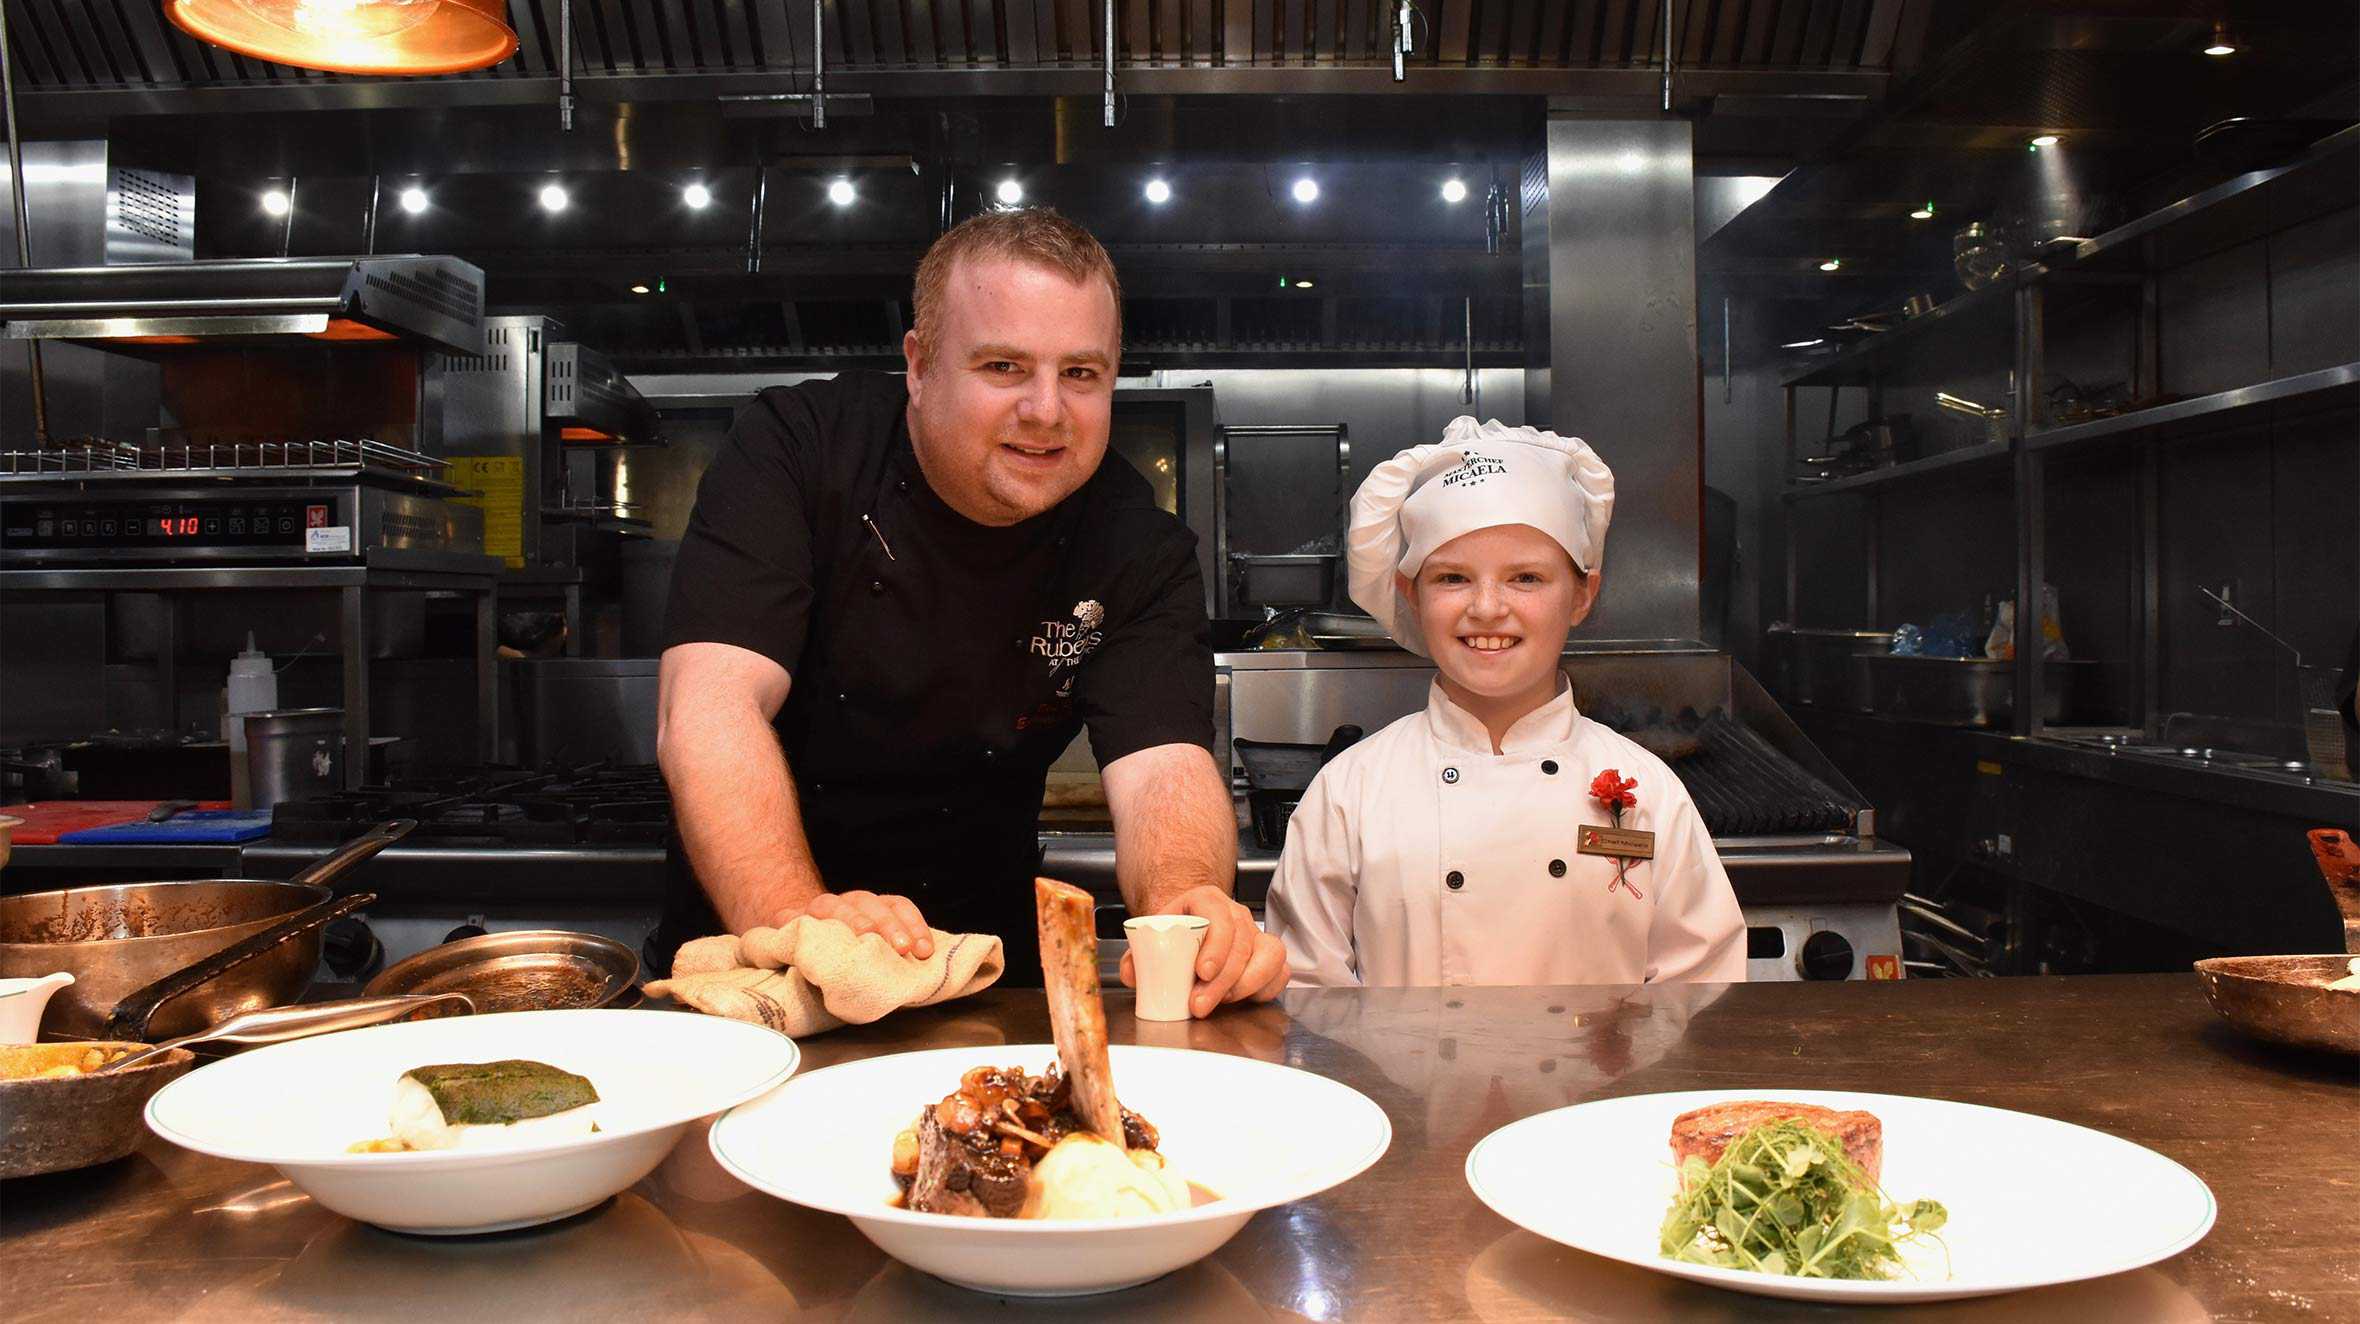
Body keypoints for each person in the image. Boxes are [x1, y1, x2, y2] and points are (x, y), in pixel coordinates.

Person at [654, 207, 1286, 1012]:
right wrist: (796, 921)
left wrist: (1190, 898)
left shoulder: (1135, 541)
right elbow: (710, 703)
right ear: (919, 365)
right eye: (1004, 367)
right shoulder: (801, 449)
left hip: (985, 984)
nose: (1048, 410)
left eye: (1082, 374)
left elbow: (1163, 762)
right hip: (758, 974)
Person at [1264, 417, 1746, 986]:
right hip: (1396, 1079)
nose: (1488, 608)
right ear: (1409, 596)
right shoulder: (1350, 792)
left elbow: (1702, 998)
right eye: (1452, 578)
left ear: (1583, 594)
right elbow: (1306, 998)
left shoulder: (1650, 791)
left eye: (1525, 578)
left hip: (1610, 1079)